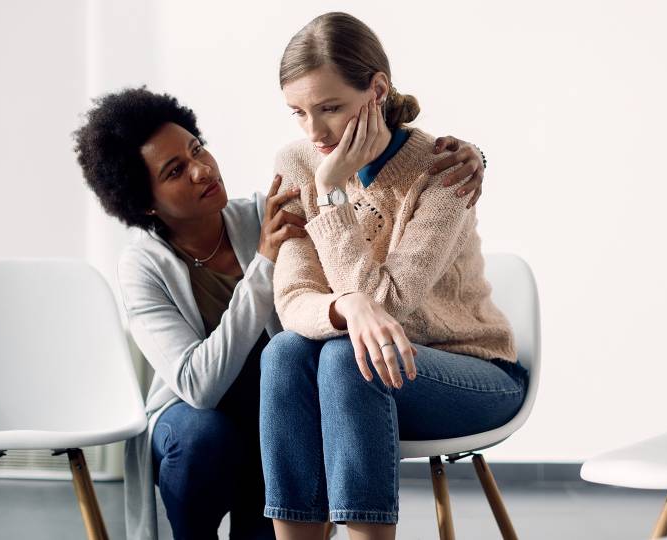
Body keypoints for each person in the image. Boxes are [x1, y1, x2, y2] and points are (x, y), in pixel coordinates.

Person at [72, 87, 489, 539]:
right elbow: (198, 385)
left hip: (275, 408)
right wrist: (263, 265)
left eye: (197, 149)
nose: (201, 170)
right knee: (200, 438)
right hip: (197, 416)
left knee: (285, 381)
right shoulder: (142, 266)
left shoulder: (265, 211)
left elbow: (360, 198)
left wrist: (471, 156)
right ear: (145, 202)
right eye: (175, 171)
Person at [261, 12, 528, 540]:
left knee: (345, 356)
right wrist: (347, 307)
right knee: (285, 353)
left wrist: (333, 191)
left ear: (377, 89)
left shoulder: (444, 169)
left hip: (470, 371)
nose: (314, 132)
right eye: (298, 113)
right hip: (373, 367)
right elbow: (293, 299)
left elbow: (392, 303)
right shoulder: (296, 163)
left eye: (330, 108)